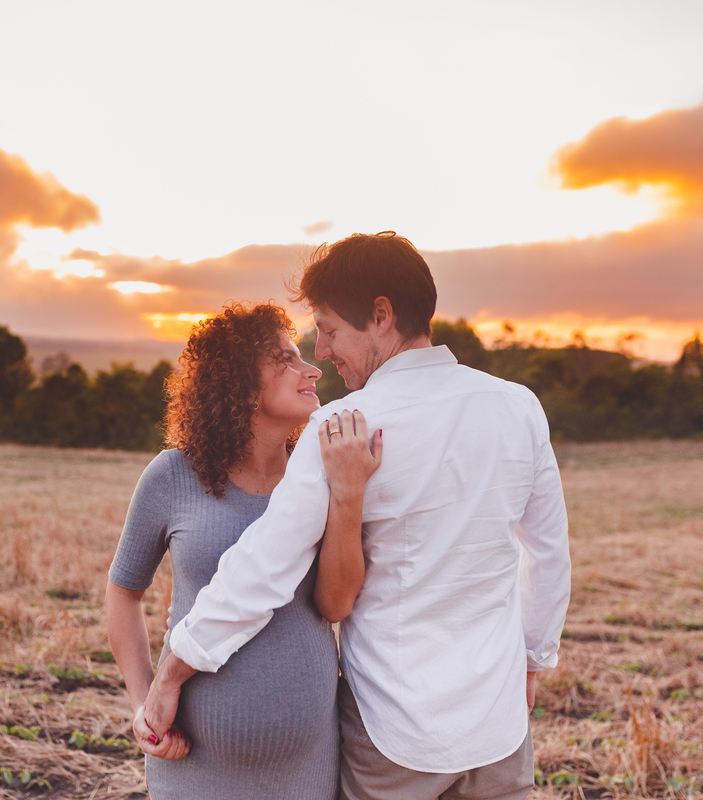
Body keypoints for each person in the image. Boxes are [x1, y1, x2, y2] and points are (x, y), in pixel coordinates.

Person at [142, 232, 572, 800]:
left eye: (329, 329)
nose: (321, 350)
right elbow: (545, 553)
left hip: (395, 735)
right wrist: (532, 661)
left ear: (381, 315)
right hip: (498, 727)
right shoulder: (518, 406)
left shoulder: (345, 424)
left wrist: (173, 669)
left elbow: (264, 565)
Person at [105, 302, 382, 800]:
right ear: (238, 382)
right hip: (193, 768)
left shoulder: (318, 476)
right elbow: (123, 592)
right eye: (286, 359)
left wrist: (349, 494)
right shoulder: (172, 476)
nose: (312, 369)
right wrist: (143, 699)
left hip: (308, 768)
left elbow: (337, 604)